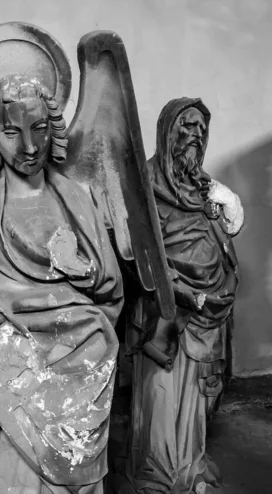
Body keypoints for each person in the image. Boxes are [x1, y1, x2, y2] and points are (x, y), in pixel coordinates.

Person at [0, 75, 124, 494]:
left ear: (53, 129)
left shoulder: (76, 197)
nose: (29, 147)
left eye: (39, 129)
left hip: (77, 333)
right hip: (9, 333)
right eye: (11, 132)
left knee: (96, 337)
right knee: (9, 349)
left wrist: (82, 269)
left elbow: (109, 288)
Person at [116, 98, 243, 494]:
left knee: (196, 399)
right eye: (187, 127)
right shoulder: (145, 185)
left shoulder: (205, 188)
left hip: (208, 312)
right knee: (161, 396)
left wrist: (224, 217)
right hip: (163, 313)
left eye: (202, 129)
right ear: (167, 131)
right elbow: (133, 251)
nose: (196, 136)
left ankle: (190, 464)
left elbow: (222, 239)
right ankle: (157, 473)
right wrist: (180, 289)